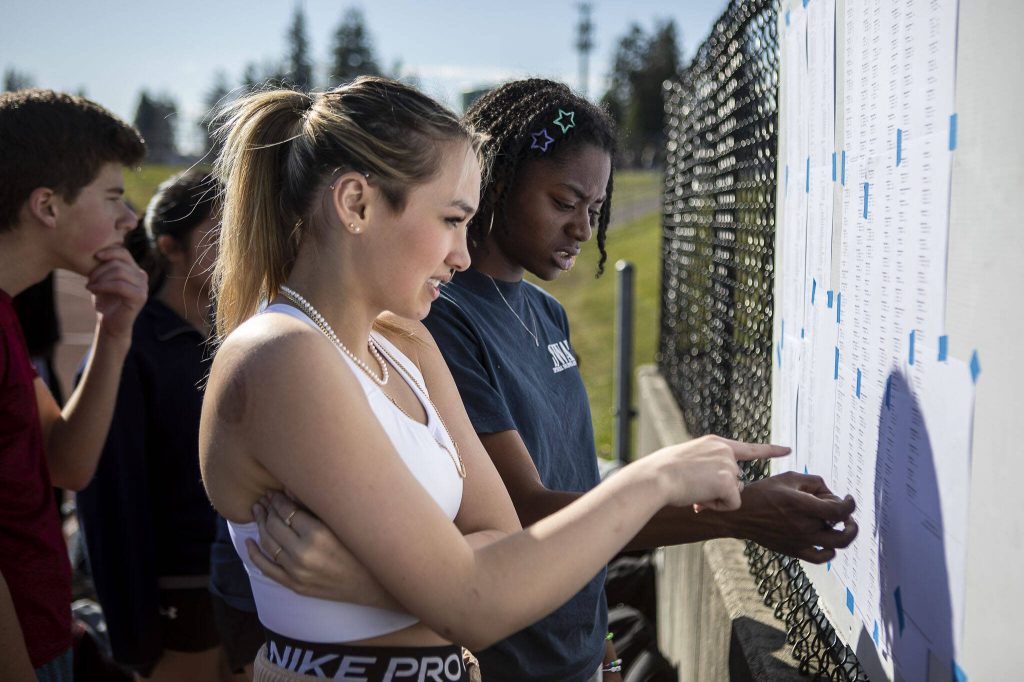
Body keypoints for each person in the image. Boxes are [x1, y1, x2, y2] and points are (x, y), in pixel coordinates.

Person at [254, 78, 859, 682]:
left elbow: (574, 497)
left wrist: (601, 644)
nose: (582, 228)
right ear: (498, 184)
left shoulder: (547, 313)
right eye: (564, 202)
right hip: (504, 660)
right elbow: (529, 515)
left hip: (571, 653)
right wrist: (732, 512)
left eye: (595, 209)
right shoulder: (435, 318)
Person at [0, 89, 147, 682]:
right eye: (112, 196)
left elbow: (66, 464)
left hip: (48, 635)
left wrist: (114, 334)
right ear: (48, 205)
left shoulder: (7, 313)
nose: (129, 216)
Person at [75, 168, 232, 681]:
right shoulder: (129, 348)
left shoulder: (242, 340)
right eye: (218, 233)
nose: (235, 247)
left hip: (245, 588)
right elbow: (111, 499)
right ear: (169, 246)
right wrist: (133, 631)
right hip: (176, 597)